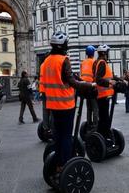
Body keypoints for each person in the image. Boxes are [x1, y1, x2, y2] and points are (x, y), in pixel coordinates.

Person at [40, 32, 95, 171]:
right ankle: (66, 163)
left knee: (57, 136)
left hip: (52, 104)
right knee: (66, 136)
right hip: (65, 105)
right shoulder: (64, 60)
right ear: (63, 45)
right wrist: (89, 85)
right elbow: (71, 81)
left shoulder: (46, 61)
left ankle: (59, 164)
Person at [93, 44, 119, 145]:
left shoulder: (99, 62)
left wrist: (121, 80)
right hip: (102, 94)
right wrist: (109, 83)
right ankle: (104, 137)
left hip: (104, 95)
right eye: (107, 52)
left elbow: (111, 76)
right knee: (104, 118)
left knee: (104, 117)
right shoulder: (102, 63)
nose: (108, 54)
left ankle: (102, 137)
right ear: (104, 53)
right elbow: (98, 80)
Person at [80, 45, 98, 132]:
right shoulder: (94, 61)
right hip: (91, 86)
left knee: (89, 107)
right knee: (95, 107)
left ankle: (89, 124)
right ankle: (95, 126)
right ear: (93, 53)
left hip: (84, 87)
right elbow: (96, 75)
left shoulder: (83, 62)